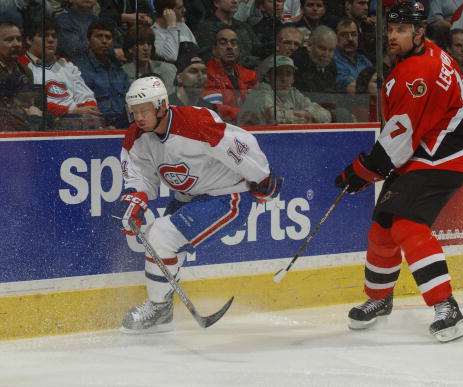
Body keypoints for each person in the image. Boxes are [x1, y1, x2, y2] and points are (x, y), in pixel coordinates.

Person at [334, 1, 463, 343]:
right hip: (427, 149)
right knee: (384, 224)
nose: (393, 36)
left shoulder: (417, 72)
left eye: (401, 31)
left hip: (444, 153)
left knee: (407, 225)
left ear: (419, 33)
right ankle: (379, 298)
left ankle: (447, 307)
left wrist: (363, 171)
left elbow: (400, 136)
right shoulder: (423, 54)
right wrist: (370, 169)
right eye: (391, 30)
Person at [114, 75, 282, 333]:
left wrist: (261, 177)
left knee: (160, 235)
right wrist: (136, 199)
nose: (138, 117)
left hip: (227, 197)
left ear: (161, 105)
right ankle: (163, 306)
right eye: (134, 111)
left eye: (144, 110)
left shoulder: (195, 122)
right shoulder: (137, 137)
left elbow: (239, 144)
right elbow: (140, 175)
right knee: (163, 246)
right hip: (188, 197)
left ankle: (158, 308)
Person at [19, 18, 102, 125]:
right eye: (44, 36)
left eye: (54, 36)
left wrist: (89, 110)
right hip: (46, 124)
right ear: (29, 40)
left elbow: (85, 94)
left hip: (78, 120)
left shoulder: (66, 64)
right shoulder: (21, 65)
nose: (51, 40)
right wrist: (71, 111)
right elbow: (31, 105)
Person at [238, 55, 331, 125]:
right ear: (267, 77)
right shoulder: (260, 94)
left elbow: (325, 115)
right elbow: (276, 118)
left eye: (288, 74)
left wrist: (305, 114)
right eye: (279, 74)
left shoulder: (293, 93)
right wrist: (309, 115)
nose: (284, 79)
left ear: (293, 78)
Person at [75, 18, 131, 128]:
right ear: (88, 41)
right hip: (95, 128)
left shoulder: (119, 71)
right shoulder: (79, 70)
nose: (104, 41)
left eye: (108, 37)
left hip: (122, 126)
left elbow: (130, 101)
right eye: (99, 36)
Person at [201, 28, 259, 122]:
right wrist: (245, 115)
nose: (229, 47)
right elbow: (215, 109)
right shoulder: (205, 75)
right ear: (214, 50)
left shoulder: (251, 76)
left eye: (233, 43)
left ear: (238, 49)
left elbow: (261, 106)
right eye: (223, 43)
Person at [196, 0, 262, 69]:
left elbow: (259, 50)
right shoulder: (206, 28)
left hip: (252, 70)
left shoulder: (243, 26)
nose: (235, 1)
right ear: (217, 3)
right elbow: (211, 58)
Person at [121, 25, 177, 96]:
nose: (146, 48)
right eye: (141, 44)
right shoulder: (122, 73)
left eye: (149, 43)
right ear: (130, 48)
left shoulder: (168, 69)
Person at [333, 17, 372, 94]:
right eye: (344, 35)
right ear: (335, 37)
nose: (350, 39)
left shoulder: (363, 60)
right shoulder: (332, 60)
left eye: (354, 34)